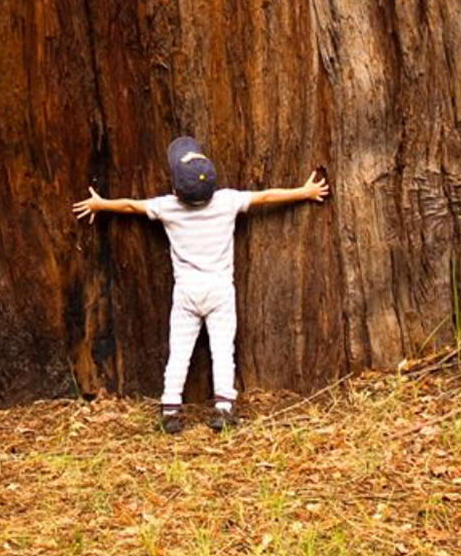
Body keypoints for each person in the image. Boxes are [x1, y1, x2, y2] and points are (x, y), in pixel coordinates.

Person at [71, 136, 330, 433]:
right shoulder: (227, 200)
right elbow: (266, 197)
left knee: (179, 350)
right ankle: (223, 408)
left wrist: (100, 203)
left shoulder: (168, 207)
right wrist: (305, 191)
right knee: (222, 350)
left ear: (176, 190)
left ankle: (170, 410)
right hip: (219, 290)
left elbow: (131, 206)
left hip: (187, 292)